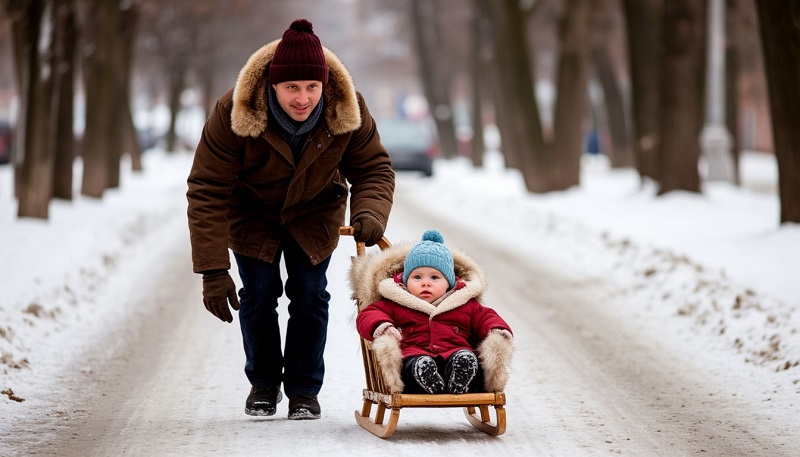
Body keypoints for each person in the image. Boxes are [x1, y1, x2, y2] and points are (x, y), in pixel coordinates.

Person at [186, 18, 394, 420]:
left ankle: (303, 390)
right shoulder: (233, 111)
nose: (303, 98)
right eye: (292, 87)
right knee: (260, 295)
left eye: (311, 87)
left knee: (310, 294)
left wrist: (369, 211)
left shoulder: (346, 108)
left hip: (314, 212)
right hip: (252, 214)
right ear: (272, 84)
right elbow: (207, 189)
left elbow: (373, 169)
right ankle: (263, 384)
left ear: (324, 84)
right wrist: (212, 269)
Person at [355, 230, 513, 394]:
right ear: (404, 280)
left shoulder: (464, 301)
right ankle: (424, 373)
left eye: (434, 278)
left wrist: (496, 328)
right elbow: (368, 314)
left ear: (449, 283)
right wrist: (383, 326)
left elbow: (486, 316)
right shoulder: (395, 301)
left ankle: (462, 374)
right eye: (417, 277)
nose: (425, 283)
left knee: (468, 358)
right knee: (411, 366)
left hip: (455, 354)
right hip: (414, 356)